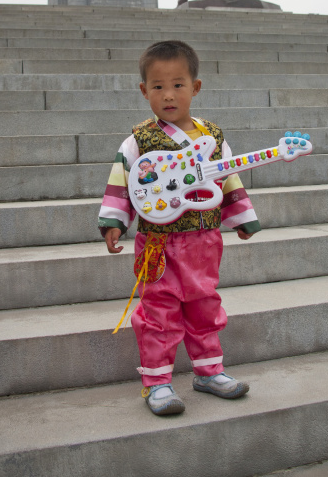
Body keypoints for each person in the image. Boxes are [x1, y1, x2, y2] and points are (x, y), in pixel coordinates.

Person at [99, 40, 261, 416]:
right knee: (159, 310)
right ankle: (157, 382)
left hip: (204, 240)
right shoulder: (137, 139)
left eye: (178, 84)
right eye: (157, 86)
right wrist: (114, 220)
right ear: (144, 91)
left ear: (195, 87)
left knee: (205, 305)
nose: (168, 95)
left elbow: (228, 177)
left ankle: (209, 371)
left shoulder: (213, 137)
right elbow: (122, 182)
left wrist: (241, 215)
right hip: (157, 243)